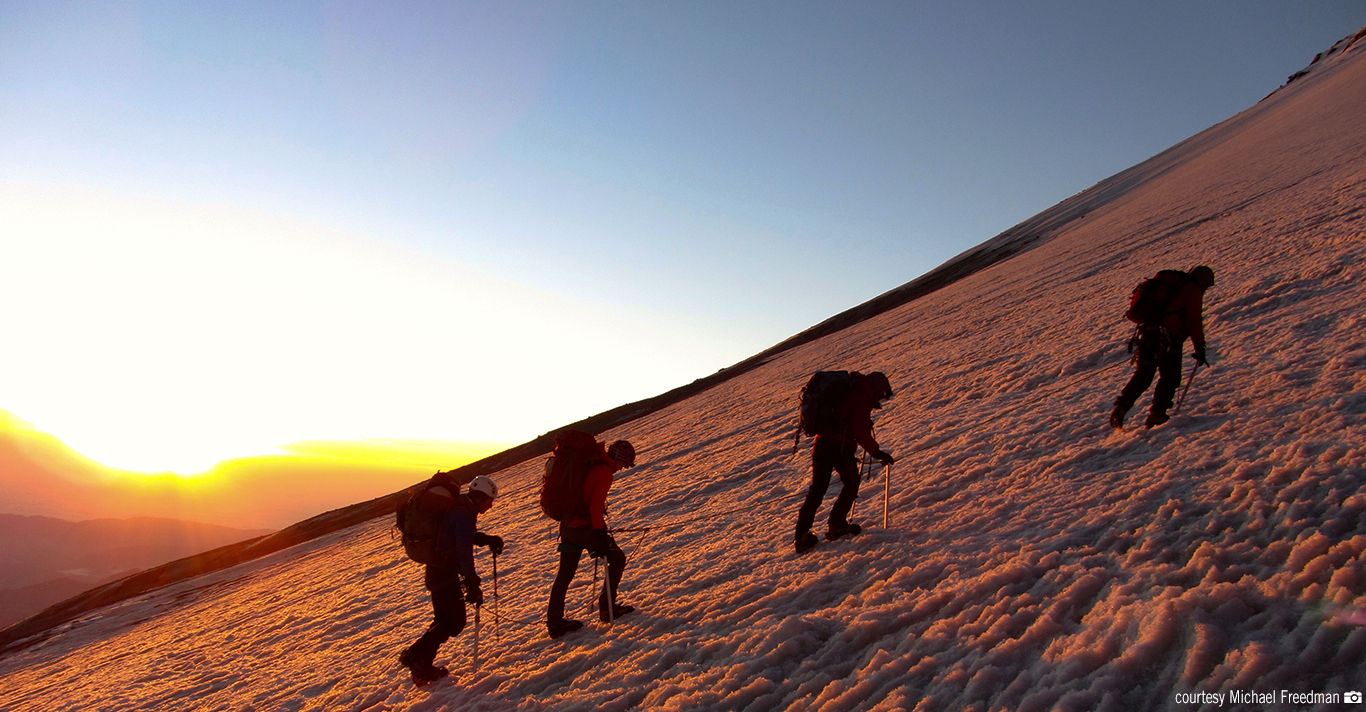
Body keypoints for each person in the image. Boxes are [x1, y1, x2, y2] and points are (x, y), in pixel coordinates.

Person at [399, 475, 504, 686]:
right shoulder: (464, 514)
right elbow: (463, 551)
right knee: (453, 622)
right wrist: (472, 582)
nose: (491, 506)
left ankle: (422, 666)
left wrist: (486, 540)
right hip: (444, 572)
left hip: (436, 570)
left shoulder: (460, 508)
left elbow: (457, 536)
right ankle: (414, 654)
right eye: (490, 501)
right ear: (482, 496)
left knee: (444, 620)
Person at [545, 439, 637, 639]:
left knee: (564, 575)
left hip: (568, 527)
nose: (622, 469)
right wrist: (600, 535)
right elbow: (595, 506)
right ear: (620, 457)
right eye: (625, 464)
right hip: (583, 528)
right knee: (618, 558)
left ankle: (554, 623)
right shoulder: (604, 472)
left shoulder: (594, 464)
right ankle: (607, 608)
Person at [795, 371, 895, 554]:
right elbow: (860, 432)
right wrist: (878, 453)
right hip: (839, 446)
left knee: (817, 489)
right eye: (882, 395)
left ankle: (801, 536)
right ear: (877, 389)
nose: (880, 400)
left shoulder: (851, 391)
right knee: (851, 483)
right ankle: (836, 525)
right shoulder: (860, 397)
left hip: (822, 443)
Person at [1110, 265, 1215, 429]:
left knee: (1143, 375)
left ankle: (1122, 406)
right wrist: (1200, 346)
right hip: (1169, 338)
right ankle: (1157, 414)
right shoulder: (1192, 289)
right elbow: (1193, 319)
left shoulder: (1168, 285)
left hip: (1147, 335)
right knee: (1170, 376)